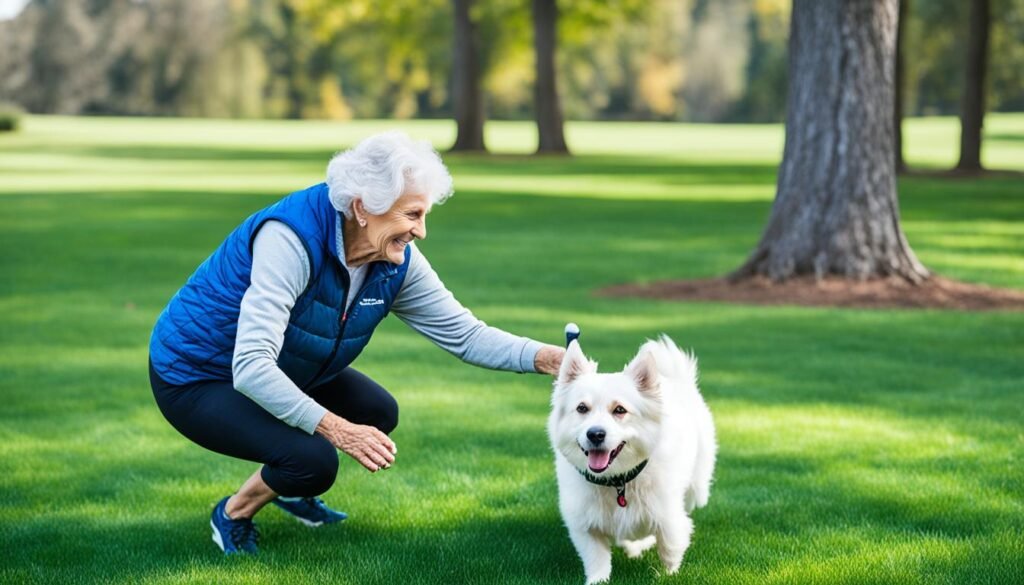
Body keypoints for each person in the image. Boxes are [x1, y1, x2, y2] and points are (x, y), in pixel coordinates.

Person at [148, 131, 565, 554]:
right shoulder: (289, 240)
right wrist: (337, 429)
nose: (421, 231)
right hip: (198, 374)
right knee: (314, 459)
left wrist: (549, 358)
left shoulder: (394, 260)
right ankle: (234, 512)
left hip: (288, 364)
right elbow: (253, 366)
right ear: (364, 208)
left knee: (376, 412)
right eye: (412, 214)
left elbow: (465, 334)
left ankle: (290, 491)